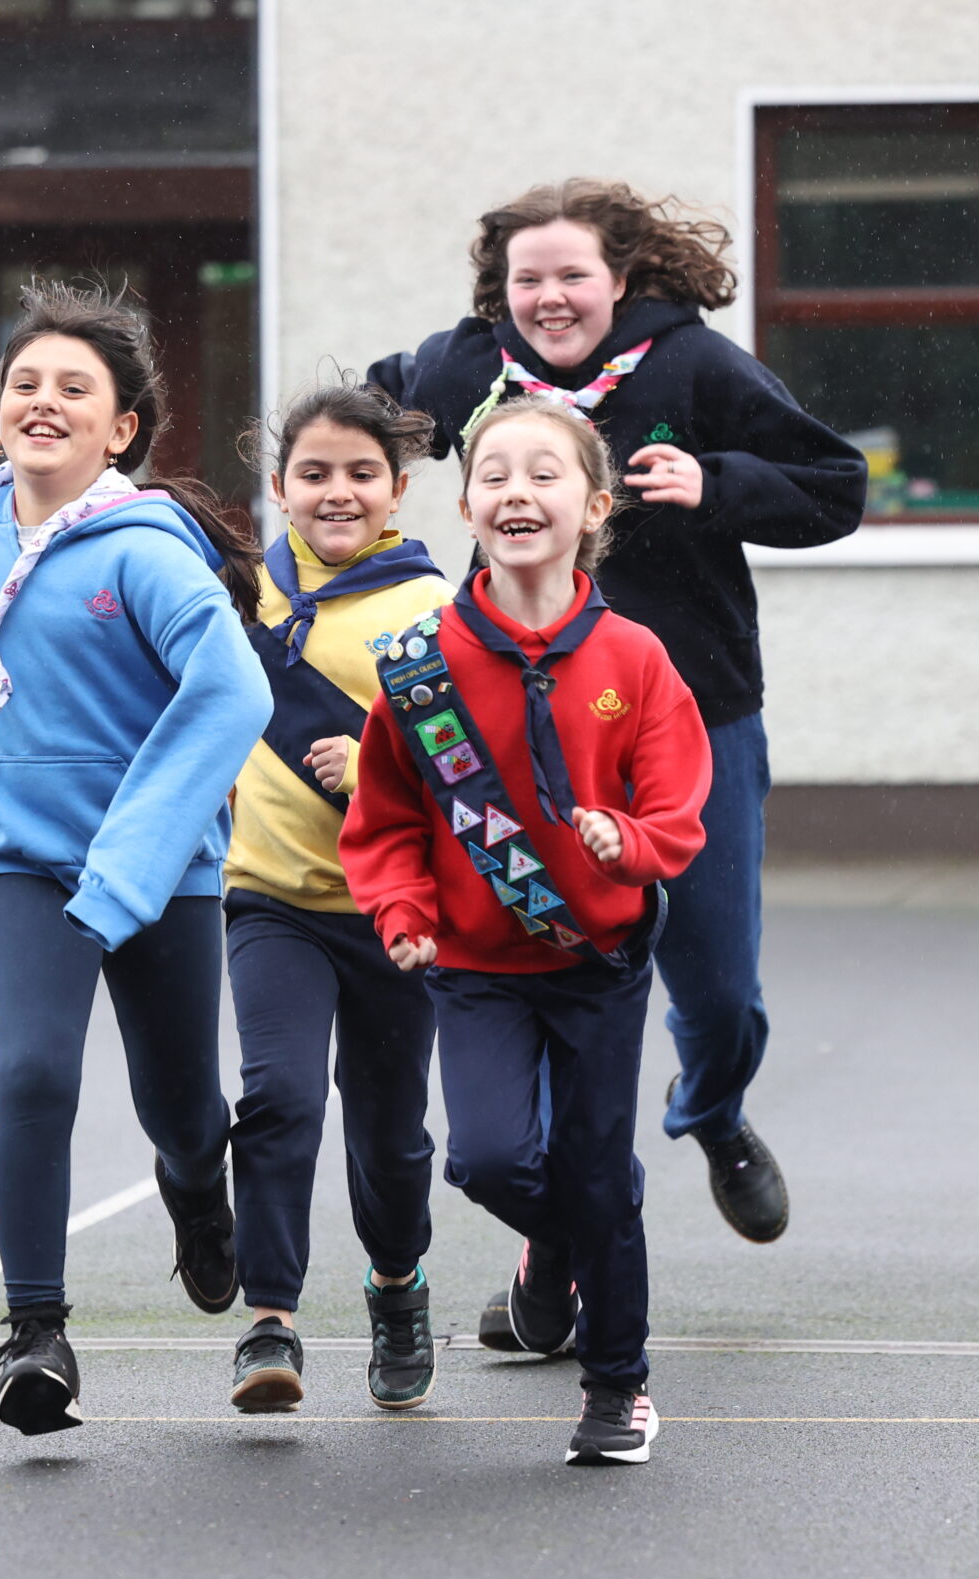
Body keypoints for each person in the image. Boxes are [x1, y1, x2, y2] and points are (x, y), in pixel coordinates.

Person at [370, 180, 867, 1271]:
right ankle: (557, 1248)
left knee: (718, 986)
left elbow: (837, 487)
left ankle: (715, 1109)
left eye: (572, 277)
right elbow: (372, 420)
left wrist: (717, 481)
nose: (550, 299)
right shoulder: (469, 370)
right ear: (501, 293)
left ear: (622, 280)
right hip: (516, 719)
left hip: (692, 714)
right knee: (547, 972)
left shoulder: (694, 369)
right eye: (526, 281)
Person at [0, 282, 272, 1438]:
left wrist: (134, 860)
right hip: (23, 861)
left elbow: (234, 688)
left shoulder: (144, 551)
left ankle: (197, 1189)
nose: (44, 402)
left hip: (158, 870)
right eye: (24, 385)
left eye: (73, 389)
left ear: (120, 428)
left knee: (182, 1108)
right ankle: (38, 1334)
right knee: (33, 1074)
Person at [341, 396, 712, 1466]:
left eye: (543, 474)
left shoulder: (636, 658)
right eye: (493, 474)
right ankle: (572, 1237)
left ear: (593, 505)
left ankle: (617, 1384)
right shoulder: (419, 664)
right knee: (493, 1158)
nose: (516, 491)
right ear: (464, 506)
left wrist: (627, 844)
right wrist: (403, 912)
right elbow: (386, 816)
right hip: (472, 963)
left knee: (598, 1168)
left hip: (597, 961)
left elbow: (677, 799)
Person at [219, 384, 454, 1415]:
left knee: (390, 1131)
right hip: (270, 898)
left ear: (397, 490)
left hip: (395, 905)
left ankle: (395, 1285)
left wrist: (380, 767)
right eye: (313, 473)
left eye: (361, 473)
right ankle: (268, 1321)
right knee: (278, 1098)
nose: (337, 491)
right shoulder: (241, 595)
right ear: (279, 488)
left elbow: (471, 764)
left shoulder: (437, 608)